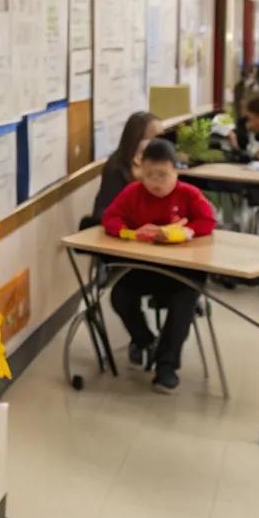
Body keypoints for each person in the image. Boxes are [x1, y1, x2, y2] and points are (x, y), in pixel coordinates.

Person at [101, 138, 216, 394]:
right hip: (145, 268)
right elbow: (110, 218)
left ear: (176, 171)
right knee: (120, 295)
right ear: (140, 172)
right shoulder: (133, 193)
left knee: (182, 304)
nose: (156, 182)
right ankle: (146, 341)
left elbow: (207, 222)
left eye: (163, 175)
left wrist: (183, 232)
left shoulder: (188, 194)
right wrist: (130, 233)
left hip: (182, 272)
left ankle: (167, 366)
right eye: (149, 175)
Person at [91, 110, 162, 223]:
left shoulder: (158, 161)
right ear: (137, 140)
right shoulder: (116, 168)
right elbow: (110, 211)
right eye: (155, 138)